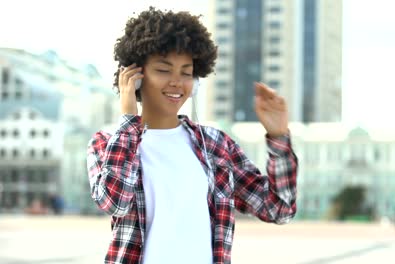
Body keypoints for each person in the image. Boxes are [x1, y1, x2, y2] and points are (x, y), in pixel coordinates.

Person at [86, 7, 298, 264]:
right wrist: (129, 119)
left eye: (186, 73)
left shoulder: (216, 145)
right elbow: (114, 201)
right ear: (135, 77)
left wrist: (278, 137)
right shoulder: (106, 143)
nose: (177, 82)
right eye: (164, 70)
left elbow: (279, 209)